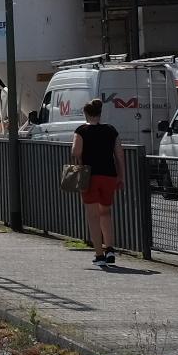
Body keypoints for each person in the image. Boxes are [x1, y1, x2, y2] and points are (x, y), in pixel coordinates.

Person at [71, 97, 122, 266]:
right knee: (105, 212)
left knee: (92, 215)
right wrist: (121, 176)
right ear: (100, 113)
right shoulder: (111, 130)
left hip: (90, 176)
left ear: (86, 114)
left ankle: (99, 255)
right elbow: (119, 155)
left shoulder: (81, 131)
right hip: (109, 175)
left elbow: (76, 152)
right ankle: (110, 249)